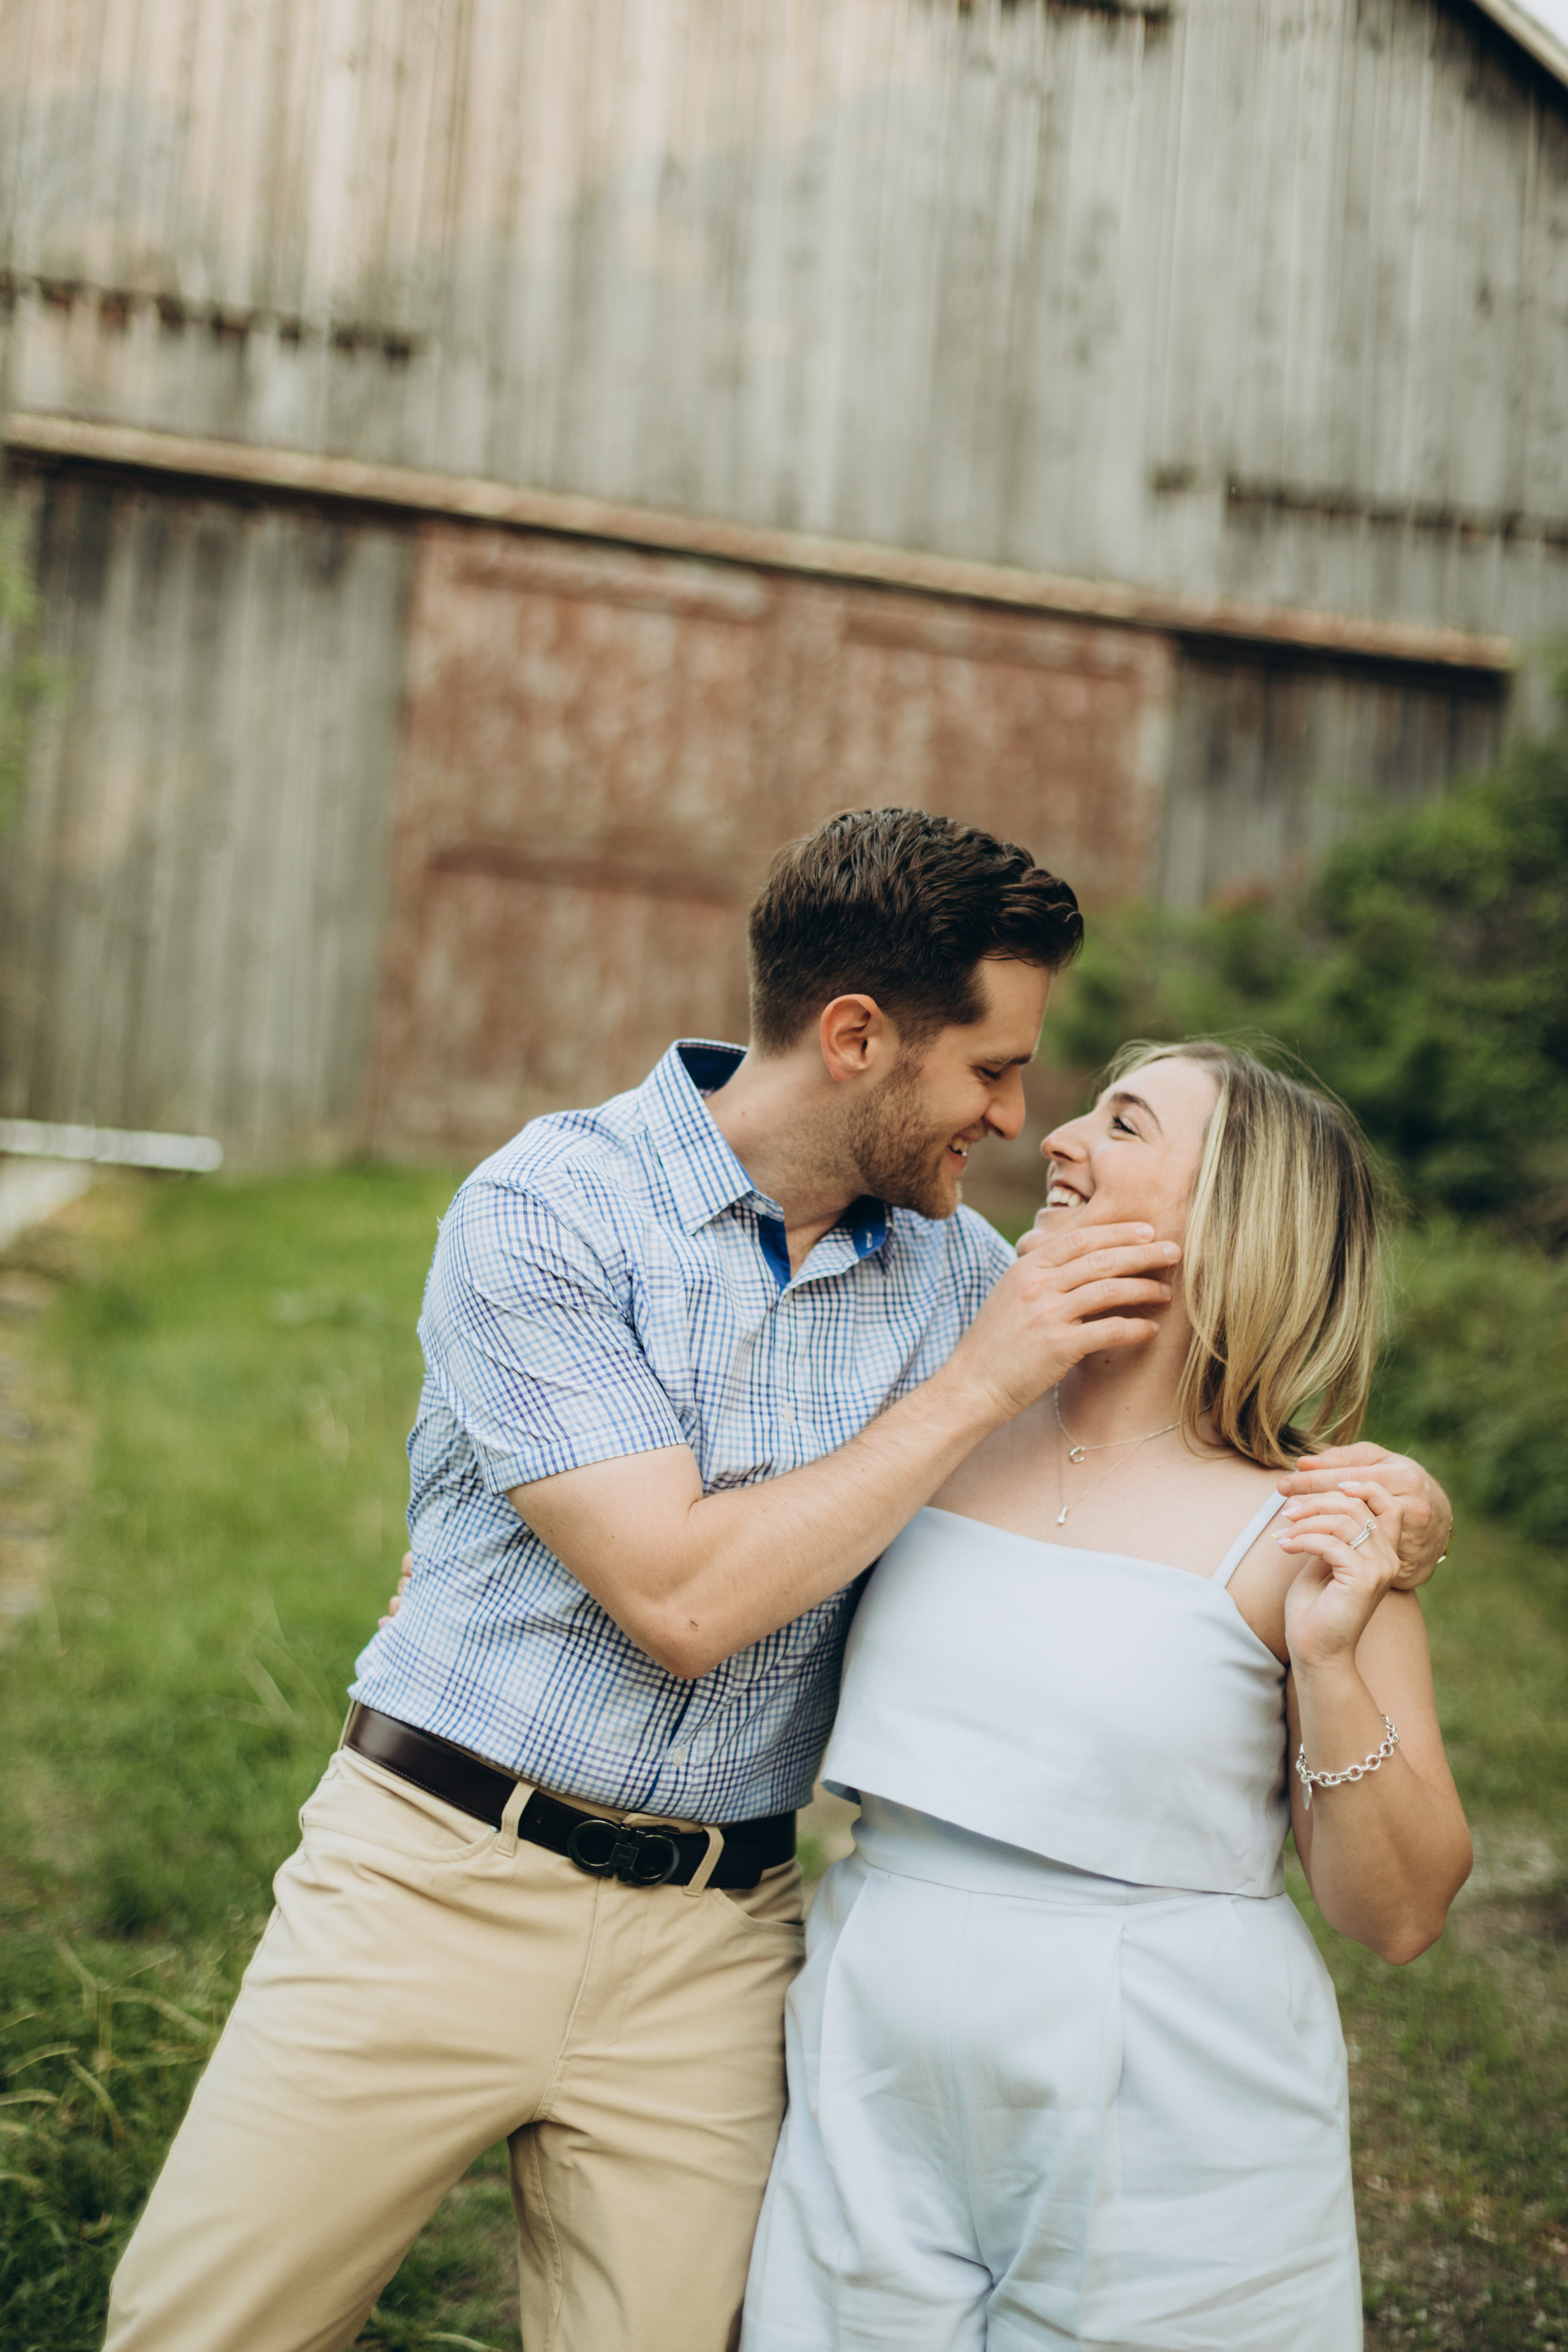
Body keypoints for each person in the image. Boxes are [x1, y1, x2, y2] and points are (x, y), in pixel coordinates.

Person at [105, 818, 1452, 2352]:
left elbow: (1166, 1427)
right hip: (435, 1874)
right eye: (993, 1071)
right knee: (202, 2331)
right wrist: (965, 1387)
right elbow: (677, 1605)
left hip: (722, 1934)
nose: (1020, 1121)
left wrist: (1395, 1503)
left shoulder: (958, 1273)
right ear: (858, 1038)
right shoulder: (550, 1208)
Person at [741, 1041, 1473, 2352]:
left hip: (1167, 2101)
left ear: (1227, 1220)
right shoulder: (928, 1427)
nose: (1058, 1138)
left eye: (1122, 1123)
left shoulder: (1308, 1529)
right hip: (869, 2043)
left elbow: (1398, 1914)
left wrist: (1324, 1660)